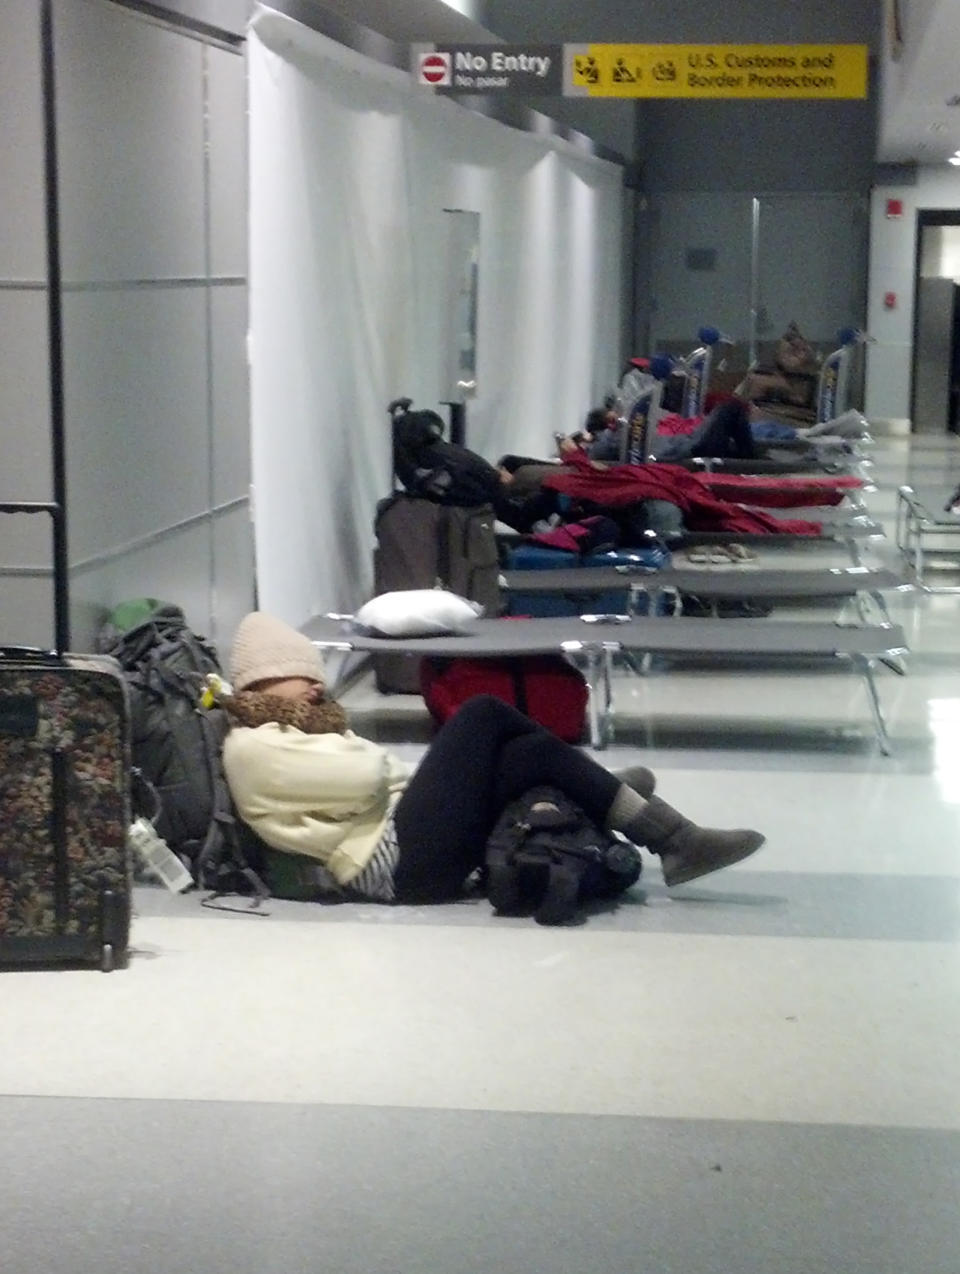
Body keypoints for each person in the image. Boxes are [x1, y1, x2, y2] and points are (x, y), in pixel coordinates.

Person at [220, 612, 766, 905]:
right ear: (263, 677)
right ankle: (634, 812)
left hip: (397, 837)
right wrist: (428, 774)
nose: (317, 688)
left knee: (527, 750)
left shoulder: (298, 729)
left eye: (318, 677)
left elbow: (369, 780)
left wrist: (429, 777)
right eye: (304, 675)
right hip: (392, 869)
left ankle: (656, 828)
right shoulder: (254, 747)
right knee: (481, 714)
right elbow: (367, 775)